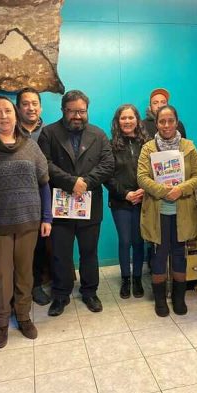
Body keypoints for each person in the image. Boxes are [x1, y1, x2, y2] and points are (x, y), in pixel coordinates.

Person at [0, 95, 52, 348]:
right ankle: (2, 322)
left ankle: (24, 316)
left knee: (25, 274)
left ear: (16, 115)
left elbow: (44, 183)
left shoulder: (31, 146)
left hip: (29, 223)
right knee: (1, 276)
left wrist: (46, 217)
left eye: (7, 110)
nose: (3, 116)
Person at [39, 90, 114, 316]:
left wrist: (86, 182)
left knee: (89, 252)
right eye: (72, 111)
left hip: (90, 204)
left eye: (81, 111)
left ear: (87, 111)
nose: (77, 116)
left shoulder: (98, 134)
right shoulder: (49, 133)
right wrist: (71, 182)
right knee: (61, 254)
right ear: (63, 110)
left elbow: (108, 164)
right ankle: (61, 295)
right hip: (60, 206)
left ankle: (90, 292)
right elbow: (44, 164)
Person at [137, 105, 197, 317]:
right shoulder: (148, 148)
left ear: (176, 122)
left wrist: (180, 190)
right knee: (159, 255)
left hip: (182, 211)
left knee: (179, 254)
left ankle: (178, 297)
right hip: (158, 212)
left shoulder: (188, 147)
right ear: (156, 123)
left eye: (170, 121)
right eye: (162, 121)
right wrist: (164, 191)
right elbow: (142, 177)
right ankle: (160, 299)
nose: (166, 125)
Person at [105, 104, 148, 299]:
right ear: (118, 121)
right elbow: (107, 176)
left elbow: (153, 171)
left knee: (139, 241)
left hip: (143, 199)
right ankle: (126, 279)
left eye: (131, 117)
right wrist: (126, 194)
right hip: (120, 201)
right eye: (123, 118)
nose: (127, 121)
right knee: (125, 241)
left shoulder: (147, 143)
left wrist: (144, 191)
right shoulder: (110, 145)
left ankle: (137, 278)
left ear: (137, 120)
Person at [16, 87, 53, 307]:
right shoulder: (10, 132)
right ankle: (22, 287)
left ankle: (37, 284)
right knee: (21, 246)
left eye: (35, 103)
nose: (31, 108)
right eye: (25, 104)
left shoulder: (51, 132)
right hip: (19, 199)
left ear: (41, 107)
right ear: (18, 108)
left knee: (41, 245)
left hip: (46, 196)